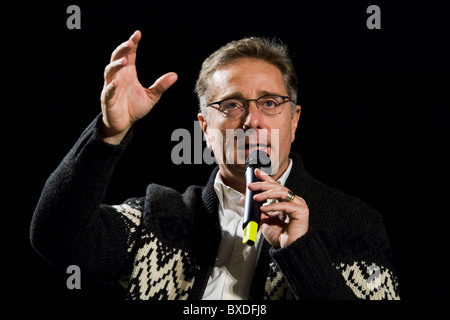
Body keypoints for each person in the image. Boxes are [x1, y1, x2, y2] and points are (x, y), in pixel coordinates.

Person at [30, 30, 400, 300]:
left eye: (270, 103)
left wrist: (301, 252)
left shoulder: (355, 223)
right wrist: (109, 133)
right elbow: (57, 237)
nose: (252, 120)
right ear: (205, 128)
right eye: (231, 105)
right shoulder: (156, 219)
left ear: (294, 120)